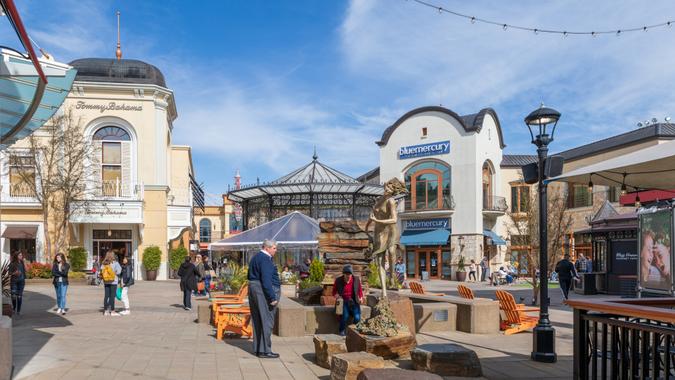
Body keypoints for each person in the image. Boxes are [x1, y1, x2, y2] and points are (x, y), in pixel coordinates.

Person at [248, 239, 281, 358]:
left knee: (258, 320)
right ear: (267, 248)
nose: (275, 251)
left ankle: (259, 349)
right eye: (274, 248)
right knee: (267, 320)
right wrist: (272, 297)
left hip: (254, 288)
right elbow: (266, 280)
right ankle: (266, 350)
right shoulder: (265, 259)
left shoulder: (256, 257)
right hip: (262, 290)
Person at [332, 264, 364, 336]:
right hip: (344, 301)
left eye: (349, 275)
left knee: (357, 317)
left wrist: (361, 297)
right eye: (346, 275)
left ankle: (354, 331)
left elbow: (360, 290)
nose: (348, 277)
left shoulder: (356, 280)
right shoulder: (338, 280)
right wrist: (336, 296)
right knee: (345, 316)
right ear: (344, 274)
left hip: (354, 300)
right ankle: (341, 330)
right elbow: (334, 292)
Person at [101, 250, 122, 316]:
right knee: (112, 296)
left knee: (106, 296)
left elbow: (101, 271)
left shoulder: (104, 263)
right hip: (113, 281)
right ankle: (112, 311)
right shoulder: (115, 263)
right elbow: (119, 272)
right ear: (113, 255)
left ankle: (105, 311)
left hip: (106, 281)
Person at [9, 251, 27, 316]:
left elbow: (26, 270)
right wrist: (15, 273)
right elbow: (9, 273)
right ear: (16, 256)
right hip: (14, 282)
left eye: (21, 255)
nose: (21, 256)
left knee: (19, 296)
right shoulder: (12, 263)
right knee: (13, 296)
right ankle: (14, 308)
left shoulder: (22, 262)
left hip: (21, 282)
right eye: (19, 255)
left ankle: (18, 310)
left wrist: (25, 263)